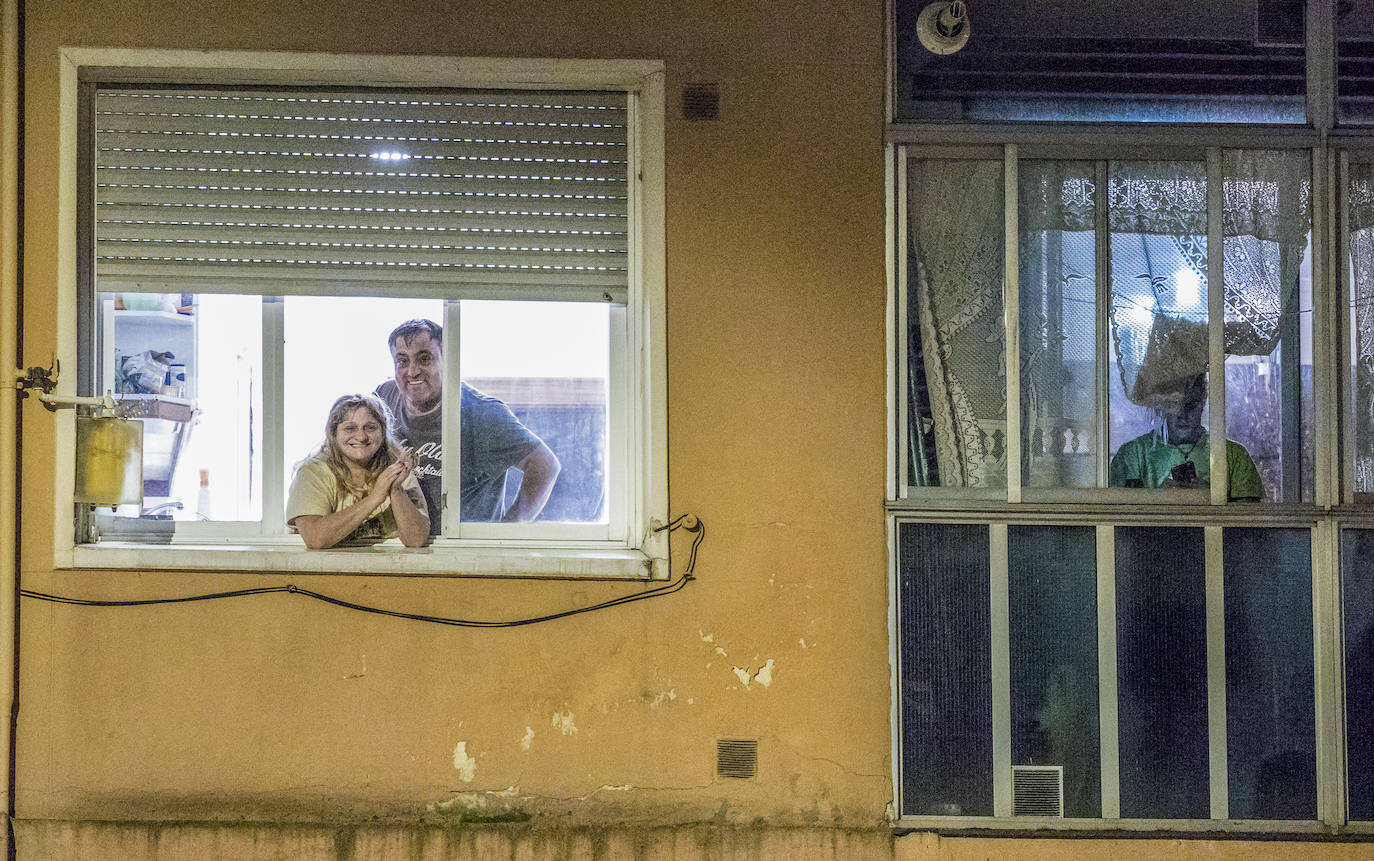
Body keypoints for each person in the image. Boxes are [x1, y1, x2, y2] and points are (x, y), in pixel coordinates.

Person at [374, 319, 560, 531]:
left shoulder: (483, 413)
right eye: (402, 361)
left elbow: (545, 464)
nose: (412, 371)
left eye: (424, 358)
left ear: (447, 362)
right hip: (403, 544)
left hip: (460, 548)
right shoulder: (384, 397)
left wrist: (508, 532)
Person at [285, 394, 430, 549]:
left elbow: (416, 540)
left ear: (383, 432)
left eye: (370, 427)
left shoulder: (396, 470)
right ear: (333, 434)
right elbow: (315, 539)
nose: (361, 436)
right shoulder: (313, 472)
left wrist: (396, 490)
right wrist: (375, 497)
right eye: (350, 428)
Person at [1109, 372, 1263, 501]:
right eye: (1173, 404)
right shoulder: (1132, 456)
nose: (1182, 414)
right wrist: (1157, 500)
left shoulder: (1234, 456)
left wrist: (1212, 499)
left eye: (1190, 406)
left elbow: (1249, 529)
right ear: (1161, 407)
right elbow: (1119, 525)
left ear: (1202, 405)